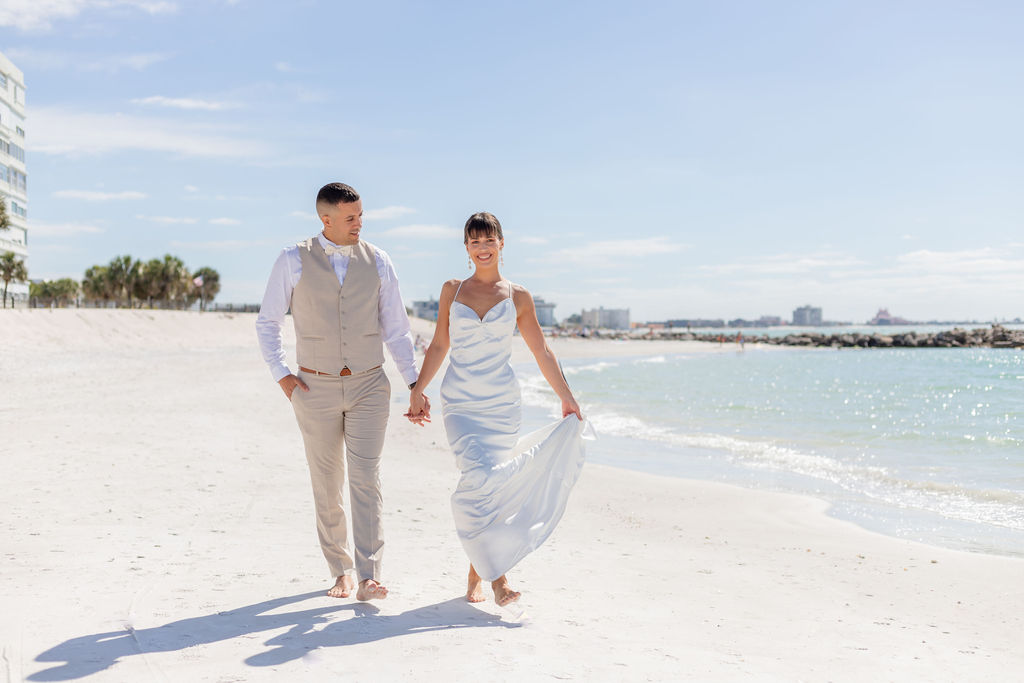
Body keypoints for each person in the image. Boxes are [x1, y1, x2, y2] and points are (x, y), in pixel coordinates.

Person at [405, 212, 592, 607]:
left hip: (501, 406)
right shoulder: (452, 291)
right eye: (474, 242)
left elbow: (541, 350)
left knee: (489, 487)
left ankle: (477, 572)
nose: (482, 248)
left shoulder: (518, 297)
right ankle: (498, 579)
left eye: (488, 240)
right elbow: (439, 345)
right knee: (478, 480)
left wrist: (567, 396)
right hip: (460, 403)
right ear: (466, 248)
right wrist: (419, 389)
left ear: (502, 243)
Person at [256, 182, 422, 601]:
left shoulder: (379, 261)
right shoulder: (292, 259)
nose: (359, 224)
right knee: (327, 482)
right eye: (351, 218)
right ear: (325, 219)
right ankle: (341, 570)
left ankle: (369, 574)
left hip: (369, 384)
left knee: (367, 478)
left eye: (361, 215)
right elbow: (268, 322)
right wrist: (282, 376)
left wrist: (414, 382)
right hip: (314, 387)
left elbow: (397, 329)